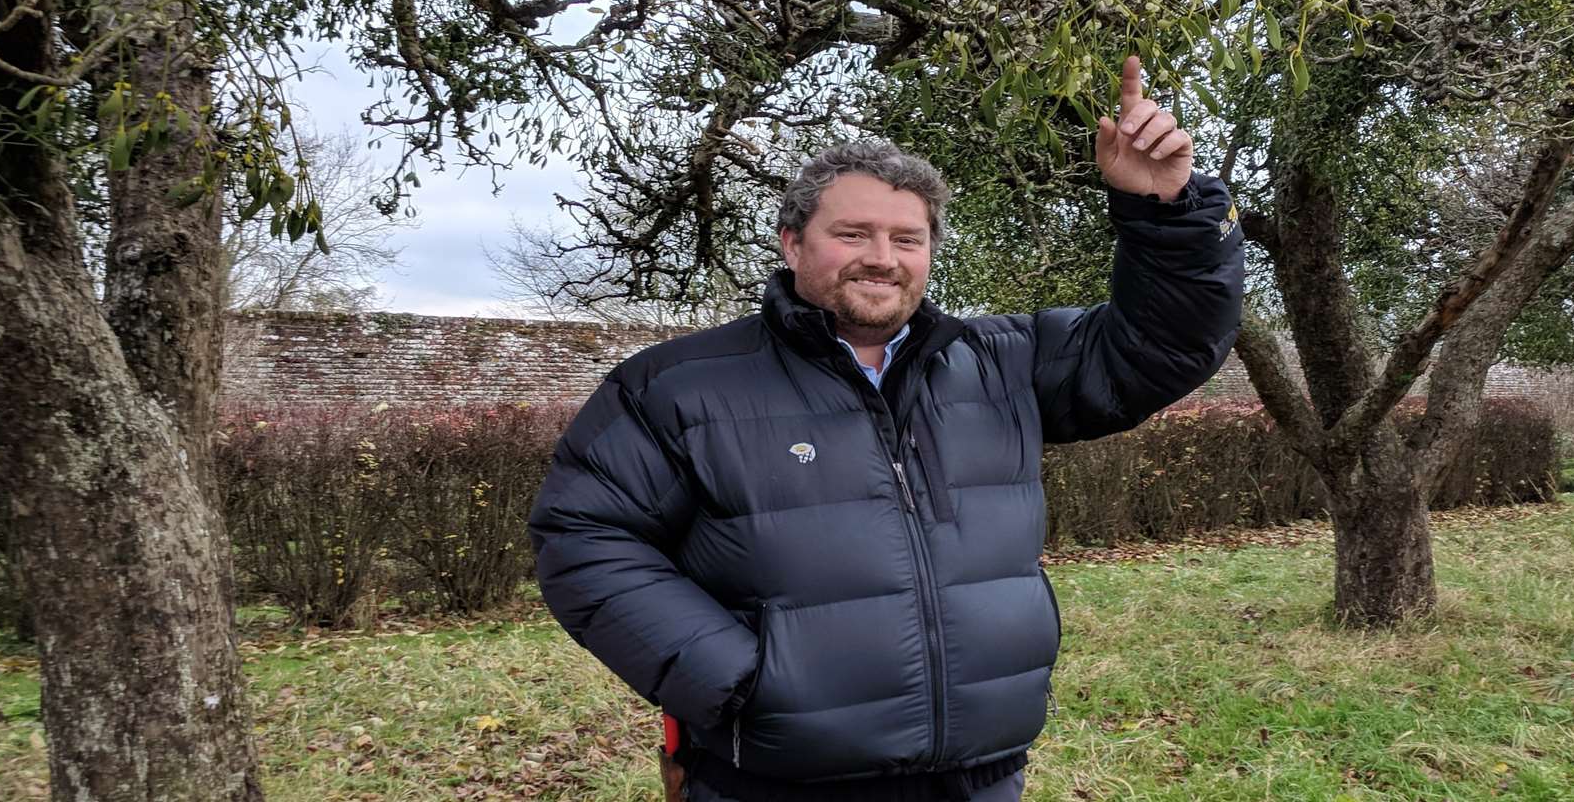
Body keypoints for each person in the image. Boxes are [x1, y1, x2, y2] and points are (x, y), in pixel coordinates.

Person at [529, 57, 1245, 801]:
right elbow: (583, 539)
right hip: (775, 781)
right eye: (854, 233)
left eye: (908, 239)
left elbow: (1166, 346)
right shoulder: (678, 386)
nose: (883, 258)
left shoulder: (1004, 364)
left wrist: (1168, 209)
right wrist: (740, 680)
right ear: (791, 244)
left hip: (981, 776)